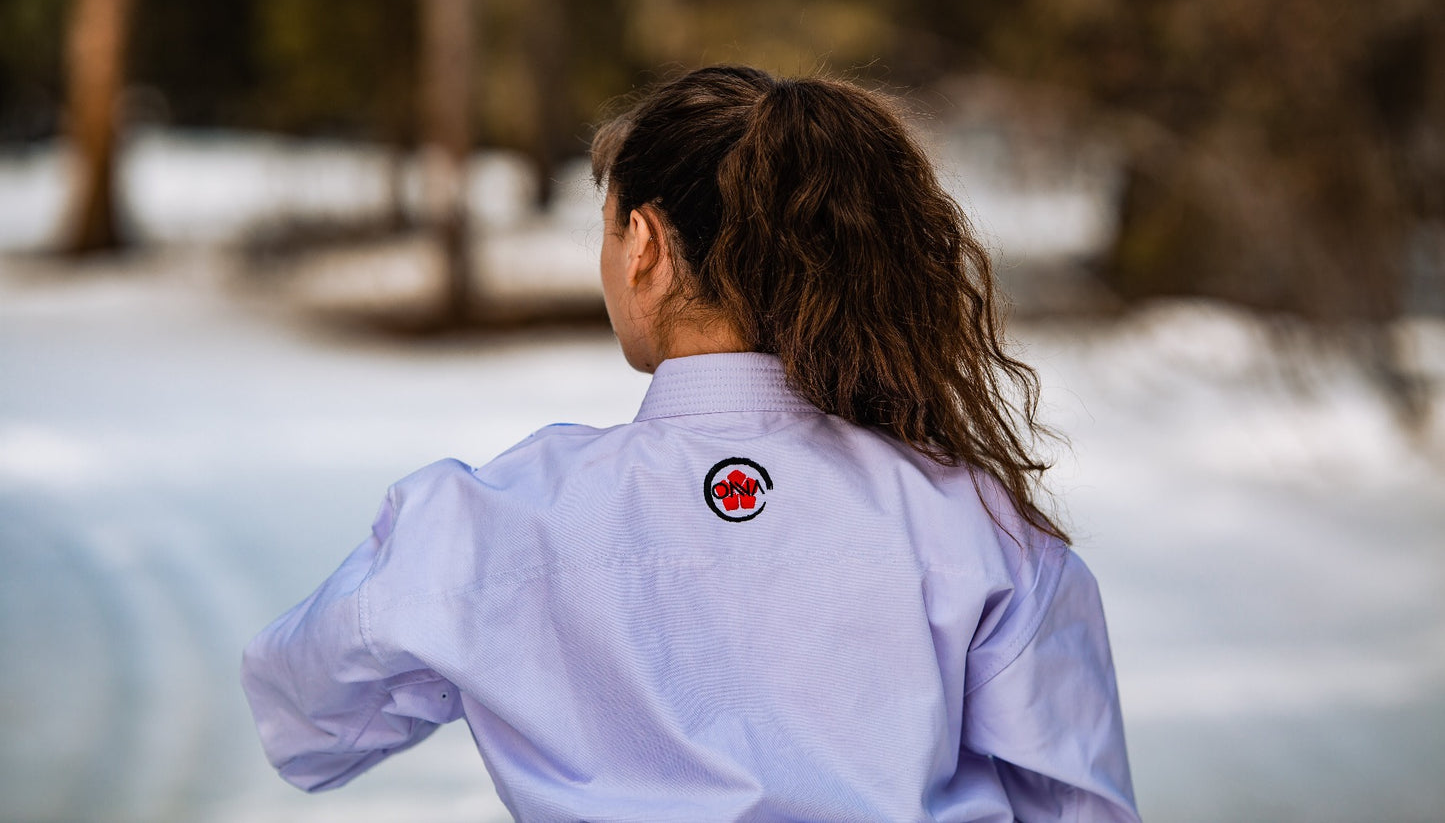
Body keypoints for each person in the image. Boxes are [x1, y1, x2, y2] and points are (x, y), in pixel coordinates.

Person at [241, 65, 1140, 822]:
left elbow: (306, 715)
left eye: (606, 228)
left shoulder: (498, 515)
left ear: (644, 245)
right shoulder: (979, 523)